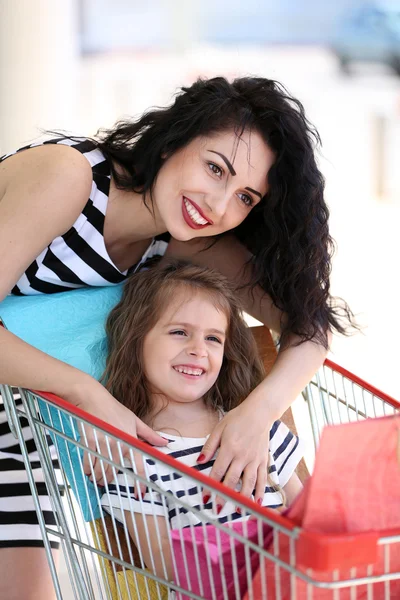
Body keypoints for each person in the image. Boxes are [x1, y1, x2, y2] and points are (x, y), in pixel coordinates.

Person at [0, 75, 353, 599]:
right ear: (171, 141)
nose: (217, 205)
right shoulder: (67, 177)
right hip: (39, 405)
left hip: (26, 413)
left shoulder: (180, 241)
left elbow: (311, 328)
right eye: (215, 168)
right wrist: (86, 392)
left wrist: (256, 415)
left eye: (245, 197)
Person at [100, 261, 304, 582]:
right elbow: (164, 563)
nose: (198, 350)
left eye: (213, 339)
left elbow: (314, 522)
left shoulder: (260, 430)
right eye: (180, 332)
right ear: (136, 338)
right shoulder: (131, 459)